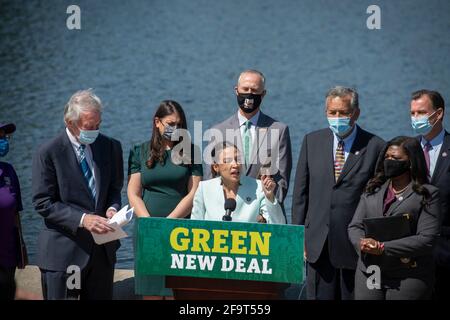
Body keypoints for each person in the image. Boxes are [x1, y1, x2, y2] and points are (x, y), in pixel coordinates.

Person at [291, 86, 385, 300]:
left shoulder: (376, 146)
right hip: (317, 244)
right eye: (332, 112)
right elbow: (300, 195)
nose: (337, 117)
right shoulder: (311, 141)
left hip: (354, 245)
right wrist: (299, 237)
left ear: (356, 113)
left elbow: (378, 199)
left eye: (343, 112)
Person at [32, 90, 124, 300]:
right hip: (63, 255)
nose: (94, 131)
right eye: (88, 127)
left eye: (98, 125)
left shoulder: (110, 147)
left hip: (102, 253)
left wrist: (113, 209)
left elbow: (113, 189)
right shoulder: (48, 153)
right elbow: (43, 203)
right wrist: (83, 220)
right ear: (70, 122)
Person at [348, 136, 441, 300]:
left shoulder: (428, 194)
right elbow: (355, 226)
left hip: (409, 273)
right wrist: (362, 243)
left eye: (396, 158)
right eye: (387, 157)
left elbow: (427, 239)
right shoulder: (373, 188)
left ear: (410, 162)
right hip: (371, 270)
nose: (389, 161)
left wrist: (383, 247)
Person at [127, 100, 203, 299]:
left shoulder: (192, 152)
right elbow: (133, 193)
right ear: (157, 122)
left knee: (174, 292)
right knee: (151, 292)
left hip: (179, 230)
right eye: (171, 123)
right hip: (148, 229)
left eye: (179, 124)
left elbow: (194, 192)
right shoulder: (139, 151)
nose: (175, 128)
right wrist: (149, 223)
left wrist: (169, 223)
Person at [204, 69, 292, 204]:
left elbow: (282, 181)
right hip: (227, 212)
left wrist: (267, 209)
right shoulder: (218, 131)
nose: (249, 94)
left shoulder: (279, 130)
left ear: (263, 94)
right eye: (245, 89)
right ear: (236, 90)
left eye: (255, 90)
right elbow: (210, 180)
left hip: (263, 215)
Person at [409, 89, 449, 299]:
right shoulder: (408, 149)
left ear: (439, 114)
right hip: (414, 249)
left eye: (421, 112)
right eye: (413, 113)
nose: (416, 118)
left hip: (446, 247)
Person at [192, 142, 285, 224]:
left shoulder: (259, 188)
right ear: (216, 167)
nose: (235, 165)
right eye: (228, 160)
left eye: (238, 159)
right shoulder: (204, 189)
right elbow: (193, 227)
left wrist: (270, 197)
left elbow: (279, 226)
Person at [0, 122, 28, 299]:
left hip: (8, 254)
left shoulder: (9, 170)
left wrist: (21, 246)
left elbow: (15, 212)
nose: (3, 141)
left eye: (5, 137)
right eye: (0, 137)